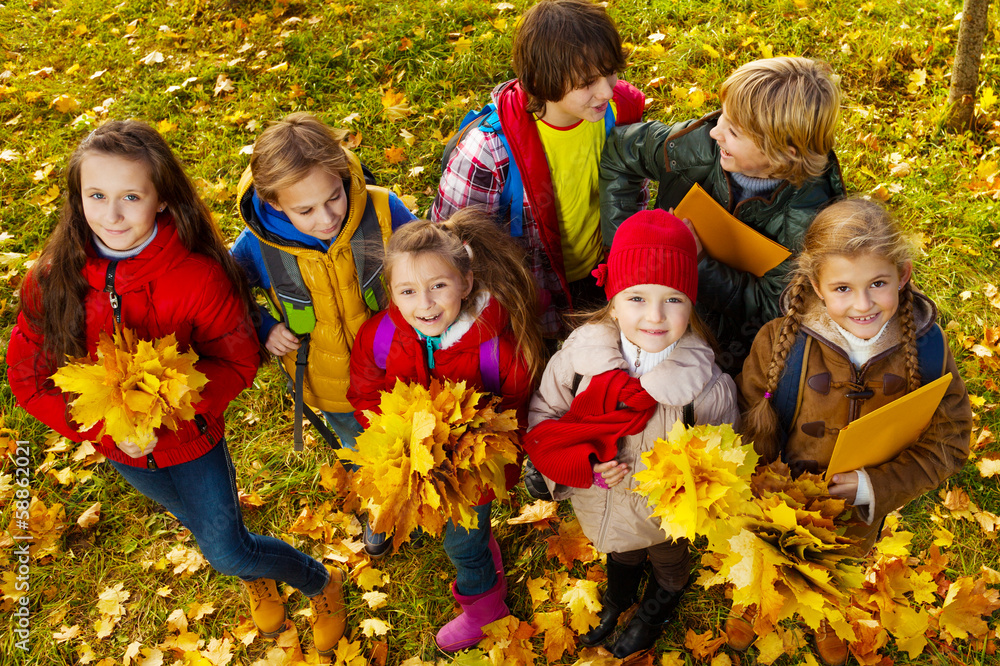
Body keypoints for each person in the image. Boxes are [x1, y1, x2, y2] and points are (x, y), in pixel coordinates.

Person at [6, 121, 347, 655]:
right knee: (201, 524)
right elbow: (27, 375)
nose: (112, 214)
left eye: (131, 196)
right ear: (77, 198)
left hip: (192, 439)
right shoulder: (54, 277)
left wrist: (173, 409)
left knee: (225, 550)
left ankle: (317, 582)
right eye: (96, 195)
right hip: (117, 445)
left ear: (161, 198)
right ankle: (251, 565)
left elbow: (235, 359)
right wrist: (102, 427)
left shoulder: (197, 275)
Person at [733, 199, 973, 666]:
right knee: (765, 561)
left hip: (859, 512)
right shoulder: (778, 341)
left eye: (877, 284)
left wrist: (872, 485)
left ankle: (827, 615)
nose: (863, 305)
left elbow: (949, 441)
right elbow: (747, 413)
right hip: (777, 499)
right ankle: (756, 605)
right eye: (842, 288)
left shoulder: (927, 350)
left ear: (902, 276)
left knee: (840, 568)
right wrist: (760, 483)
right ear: (817, 286)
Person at [523, 209, 739, 658]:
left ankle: (659, 604)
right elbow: (546, 415)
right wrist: (584, 465)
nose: (655, 316)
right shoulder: (581, 360)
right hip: (601, 499)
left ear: (691, 302)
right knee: (621, 552)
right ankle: (620, 594)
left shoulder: (705, 387)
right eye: (637, 298)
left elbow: (724, 460)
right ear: (613, 299)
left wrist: (690, 488)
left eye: (673, 299)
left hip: (662, 518)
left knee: (666, 559)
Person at [348, 210, 544, 652]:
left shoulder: (494, 346)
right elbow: (363, 390)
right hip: (414, 467)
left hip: (470, 479)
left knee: (463, 544)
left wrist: (481, 458)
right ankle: (484, 550)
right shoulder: (380, 335)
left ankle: (484, 610)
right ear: (393, 295)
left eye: (439, 286)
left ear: (467, 283)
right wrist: (387, 432)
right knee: (465, 534)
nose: (426, 304)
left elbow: (517, 410)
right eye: (408, 291)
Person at [232, 113, 415, 556]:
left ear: (343, 173)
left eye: (334, 197)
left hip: (400, 365)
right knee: (358, 444)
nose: (327, 216)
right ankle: (380, 503)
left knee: (413, 434)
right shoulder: (257, 242)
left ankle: (424, 489)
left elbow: (427, 254)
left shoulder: (381, 207)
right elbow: (225, 290)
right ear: (273, 202)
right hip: (327, 381)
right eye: (305, 210)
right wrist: (262, 325)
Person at [600, 56, 845, 374]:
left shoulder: (811, 217)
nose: (715, 131)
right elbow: (622, 150)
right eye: (721, 118)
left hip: (728, 351)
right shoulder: (699, 145)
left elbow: (776, 306)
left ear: (784, 153)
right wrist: (626, 247)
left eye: (733, 131)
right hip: (651, 307)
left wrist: (699, 264)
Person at [432, 0, 646, 337]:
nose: (607, 90)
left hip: (605, 276)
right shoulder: (487, 152)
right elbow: (449, 250)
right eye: (587, 82)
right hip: (534, 301)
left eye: (610, 72)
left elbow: (635, 191)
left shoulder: (620, 111)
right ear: (544, 80)